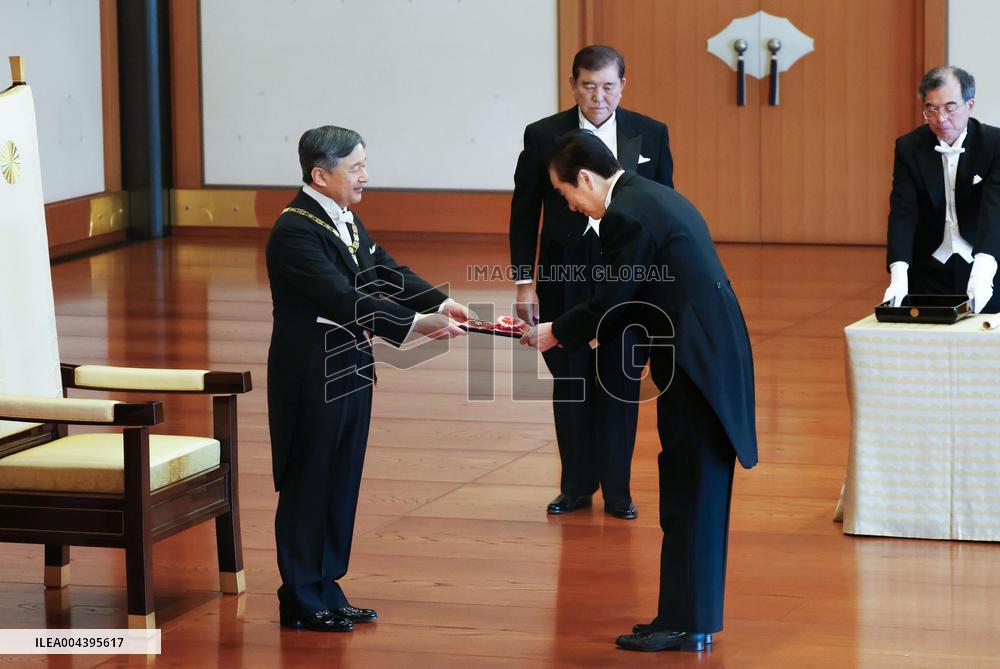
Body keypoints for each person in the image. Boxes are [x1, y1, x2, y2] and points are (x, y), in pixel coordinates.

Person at [521, 130, 757, 652]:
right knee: (688, 489)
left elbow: (611, 300)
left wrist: (556, 330)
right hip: (705, 356)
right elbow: (633, 299)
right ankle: (685, 617)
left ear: (585, 179)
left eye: (567, 196)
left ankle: (686, 622)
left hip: (698, 365)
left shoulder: (624, 215)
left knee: (691, 492)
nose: (572, 207)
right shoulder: (652, 196)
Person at [266, 125, 471, 632]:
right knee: (310, 476)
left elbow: (385, 272)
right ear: (320, 174)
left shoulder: (344, 220)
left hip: (351, 363)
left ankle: (327, 583)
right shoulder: (295, 230)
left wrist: (440, 302)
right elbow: (343, 298)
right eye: (355, 167)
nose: (365, 176)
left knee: (341, 477)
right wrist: (414, 324)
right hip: (313, 367)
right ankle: (299, 592)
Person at [509, 45, 674, 520]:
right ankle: (576, 487)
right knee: (572, 383)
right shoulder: (542, 135)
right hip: (564, 278)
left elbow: (663, 210)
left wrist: (660, 288)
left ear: (623, 85)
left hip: (629, 278)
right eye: (588, 85)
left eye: (607, 85)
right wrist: (526, 284)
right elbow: (524, 212)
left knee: (621, 382)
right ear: (573, 84)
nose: (598, 96)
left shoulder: (651, 134)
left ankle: (618, 491)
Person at [884, 65, 1000, 313]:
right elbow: (903, 212)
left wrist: (984, 268)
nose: (941, 118)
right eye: (931, 109)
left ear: (969, 105)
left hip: (985, 262)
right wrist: (899, 272)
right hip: (930, 265)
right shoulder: (909, 147)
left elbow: (995, 208)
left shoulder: (994, 144)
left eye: (950, 107)